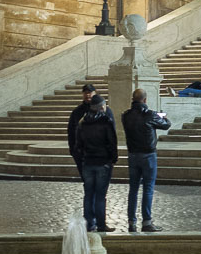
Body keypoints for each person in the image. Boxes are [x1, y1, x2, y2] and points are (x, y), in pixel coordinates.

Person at [121, 89, 171, 232]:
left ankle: (131, 222)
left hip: (132, 155)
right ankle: (147, 222)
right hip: (148, 155)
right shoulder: (150, 115)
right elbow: (166, 125)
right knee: (148, 189)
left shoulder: (126, 116)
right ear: (145, 100)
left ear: (133, 99)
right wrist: (164, 117)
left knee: (133, 189)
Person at [75, 94, 119, 231]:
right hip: (103, 162)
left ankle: (88, 224)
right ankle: (101, 224)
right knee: (100, 196)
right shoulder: (106, 121)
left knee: (88, 194)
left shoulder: (82, 122)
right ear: (101, 107)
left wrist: (84, 156)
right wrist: (113, 159)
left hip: (88, 162)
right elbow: (112, 142)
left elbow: (78, 144)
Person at [66, 84, 98, 174]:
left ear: (95, 93)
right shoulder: (77, 111)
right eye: (85, 92)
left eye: (90, 92)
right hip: (81, 152)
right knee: (86, 179)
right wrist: (73, 150)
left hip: (98, 152)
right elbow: (71, 131)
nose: (87, 95)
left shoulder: (102, 110)